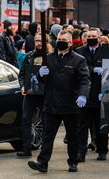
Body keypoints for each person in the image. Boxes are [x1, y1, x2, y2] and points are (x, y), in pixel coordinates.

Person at [28, 30, 90, 173]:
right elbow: (41, 80)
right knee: (47, 136)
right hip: (51, 104)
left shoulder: (78, 59)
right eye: (59, 39)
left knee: (72, 136)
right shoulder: (48, 58)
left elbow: (84, 80)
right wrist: (39, 75)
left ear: (70, 43)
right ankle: (42, 162)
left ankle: (73, 161)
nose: (60, 41)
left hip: (70, 104)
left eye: (64, 40)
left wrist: (83, 95)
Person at [75, 27, 109, 162]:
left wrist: (105, 91)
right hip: (85, 94)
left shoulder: (106, 51)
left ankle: (102, 150)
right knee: (82, 125)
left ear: (99, 38)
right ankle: (80, 152)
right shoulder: (80, 52)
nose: (90, 39)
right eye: (88, 37)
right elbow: (79, 69)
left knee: (101, 124)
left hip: (101, 92)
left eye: (93, 36)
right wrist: (93, 69)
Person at [16, 34, 52, 157]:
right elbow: (22, 74)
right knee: (26, 118)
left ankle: (45, 149)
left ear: (46, 42)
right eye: (37, 40)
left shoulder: (51, 57)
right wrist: (22, 86)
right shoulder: (29, 56)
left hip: (45, 94)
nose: (39, 43)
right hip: (30, 92)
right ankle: (26, 147)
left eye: (41, 41)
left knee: (47, 120)